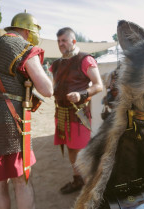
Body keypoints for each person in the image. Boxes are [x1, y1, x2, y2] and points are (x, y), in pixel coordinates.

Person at [0, 12, 53, 209]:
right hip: (8, 119)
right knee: (21, 177)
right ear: (27, 31)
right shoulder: (21, 46)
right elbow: (47, 89)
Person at [50, 27, 103, 194]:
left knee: (83, 150)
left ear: (73, 41)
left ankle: (90, 188)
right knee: (71, 148)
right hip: (61, 113)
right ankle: (78, 180)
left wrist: (82, 94)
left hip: (78, 114)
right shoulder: (56, 64)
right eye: (58, 41)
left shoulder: (85, 59)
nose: (60, 44)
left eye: (64, 40)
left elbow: (98, 85)